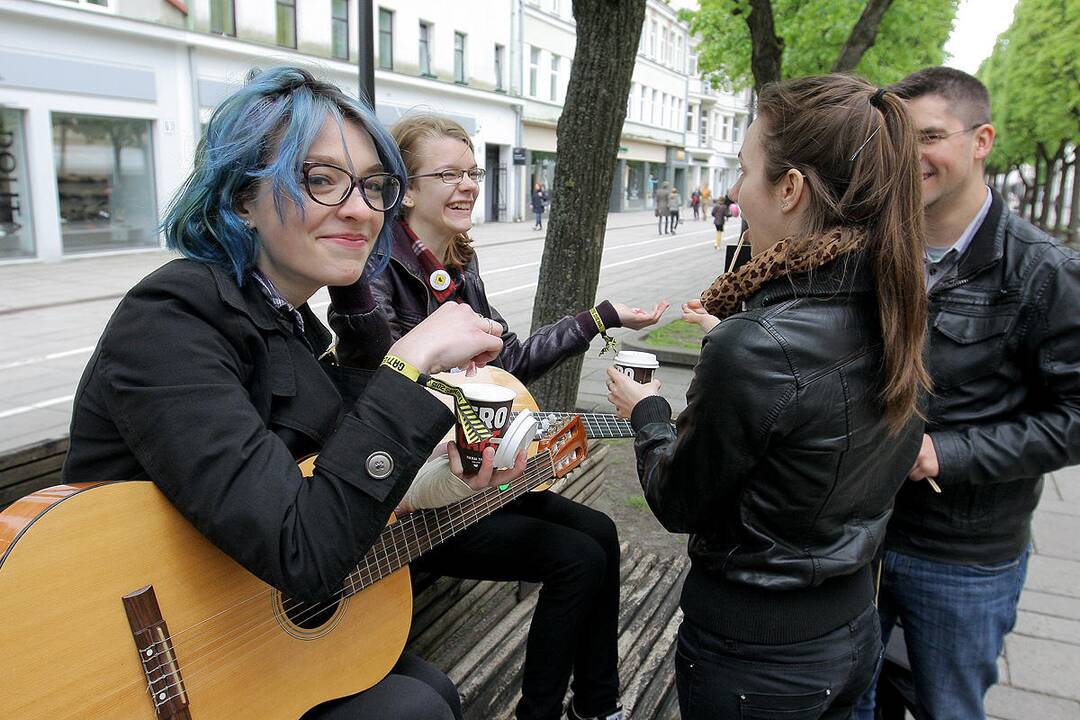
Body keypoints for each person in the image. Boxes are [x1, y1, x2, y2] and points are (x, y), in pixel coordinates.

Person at [61, 67, 525, 720]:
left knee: (431, 691)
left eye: (373, 185)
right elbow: (304, 550)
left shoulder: (288, 324)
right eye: (321, 178)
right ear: (242, 197)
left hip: (233, 618)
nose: (362, 209)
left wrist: (449, 472)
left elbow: (318, 486)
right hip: (116, 674)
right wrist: (408, 365)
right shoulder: (170, 317)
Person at [606, 74, 930, 719]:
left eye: (744, 169)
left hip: (756, 653)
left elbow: (679, 500)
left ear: (790, 188)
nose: (732, 191)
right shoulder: (904, 302)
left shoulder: (758, 348)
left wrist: (646, 415)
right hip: (851, 624)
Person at [330, 112, 668, 720]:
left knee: (602, 533)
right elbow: (383, 389)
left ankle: (596, 706)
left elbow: (506, 365)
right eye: (450, 174)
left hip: (471, 472)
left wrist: (601, 317)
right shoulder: (372, 276)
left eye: (473, 172)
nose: (468, 185)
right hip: (412, 498)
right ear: (405, 188)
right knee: (576, 558)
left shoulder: (458, 264)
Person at [854, 67, 1080, 720]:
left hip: (964, 558)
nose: (908, 155)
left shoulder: (1046, 272)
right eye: (895, 137)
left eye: (929, 135)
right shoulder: (868, 248)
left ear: (982, 140)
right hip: (858, 537)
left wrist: (945, 454)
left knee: (947, 707)